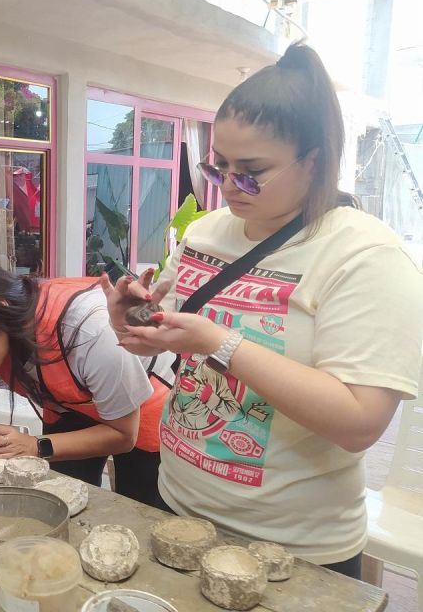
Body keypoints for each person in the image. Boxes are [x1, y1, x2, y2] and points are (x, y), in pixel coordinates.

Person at [102, 42, 423, 578]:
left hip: (289, 544)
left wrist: (219, 343)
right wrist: (132, 321)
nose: (230, 186)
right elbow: (174, 337)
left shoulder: (364, 256)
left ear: (314, 159)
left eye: (251, 171)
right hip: (178, 501)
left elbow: (359, 423)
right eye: (219, 166)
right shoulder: (206, 231)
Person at [0, 257, 176, 506]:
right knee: (61, 495)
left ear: (1, 307)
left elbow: (123, 435)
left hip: (141, 407)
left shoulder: (88, 330)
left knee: (138, 505)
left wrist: (35, 445)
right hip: (71, 403)